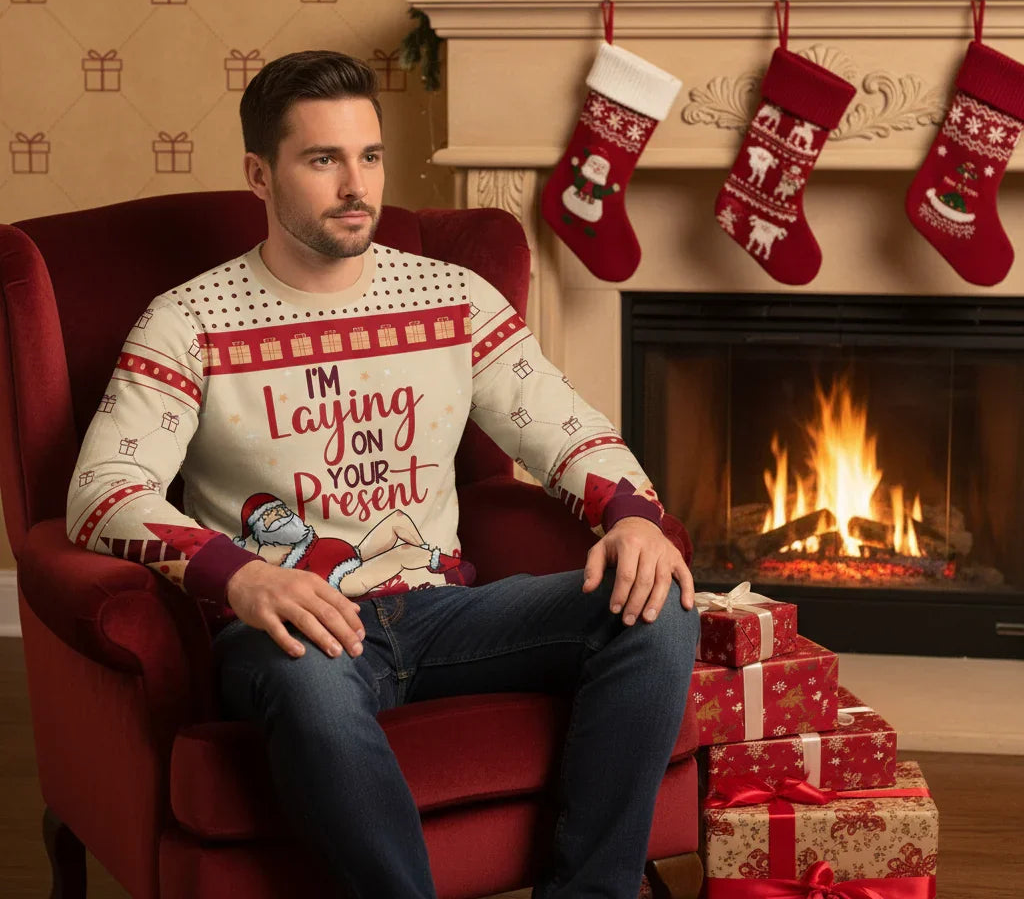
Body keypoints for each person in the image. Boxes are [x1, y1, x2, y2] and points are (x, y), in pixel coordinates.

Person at [66, 50, 699, 898]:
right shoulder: (188, 322)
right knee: (311, 686)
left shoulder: (454, 298)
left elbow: (568, 430)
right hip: (294, 636)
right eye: (322, 159)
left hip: (446, 615)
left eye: (368, 156)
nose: (355, 184)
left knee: (655, 607)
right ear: (259, 173)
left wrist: (631, 517)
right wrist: (242, 575)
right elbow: (102, 491)